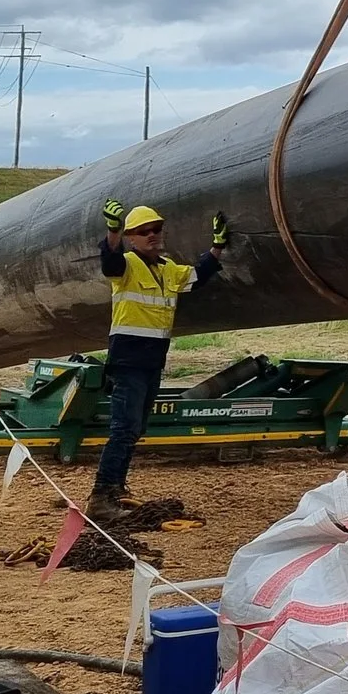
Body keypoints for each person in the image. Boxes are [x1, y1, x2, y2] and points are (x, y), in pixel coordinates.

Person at [90, 199, 227, 523]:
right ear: (131, 238)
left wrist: (218, 246)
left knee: (135, 428)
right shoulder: (125, 266)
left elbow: (198, 274)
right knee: (123, 429)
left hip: (152, 362)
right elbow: (109, 262)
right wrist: (112, 230)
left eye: (156, 229)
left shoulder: (168, 269)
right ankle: (101, 496)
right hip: (128, 361)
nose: (153, 235)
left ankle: (116, 489)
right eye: (143, 231)